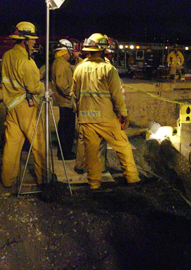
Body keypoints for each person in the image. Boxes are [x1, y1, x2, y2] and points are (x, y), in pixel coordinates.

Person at [71, 33, 141, 189]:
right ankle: (132, 178)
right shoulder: (108, 69)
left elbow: (74, 95)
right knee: (123, 147)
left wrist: (79, 113)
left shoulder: (79, 69)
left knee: (91, 154)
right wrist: (124, 114)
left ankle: (94, 184)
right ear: (102, 51)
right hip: (106, 118)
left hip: (86, 119)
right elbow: (117, 96)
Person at [1, 21, 45, 188]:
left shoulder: (7, 56)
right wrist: (42, 87)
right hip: (26, 107)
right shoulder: (27, 61)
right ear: (24, 40)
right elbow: (34, 87)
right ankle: (44, 179)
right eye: (32, 39)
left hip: (11, 106)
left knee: (12, 145)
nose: (34, 42)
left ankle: (7, 180)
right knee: (39, 143)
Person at [51, 39, 76, 160]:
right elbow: (62, 84)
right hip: (65, 102)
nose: (71, 54)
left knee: (65, 127)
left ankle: (64, 152)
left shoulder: (61, 62)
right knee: (67, 128)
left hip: (64, 101)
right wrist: (70, 94)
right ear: (65, 51)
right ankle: (65, 153)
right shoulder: (61, 63)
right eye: (70, 52)